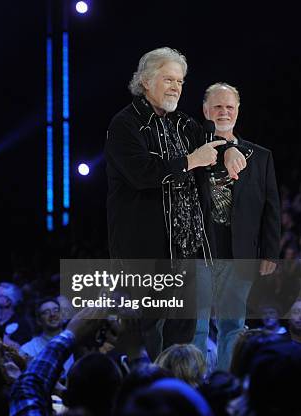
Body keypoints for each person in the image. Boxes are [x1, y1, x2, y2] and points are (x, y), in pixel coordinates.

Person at [103, 47, 247, 358]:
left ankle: (179, 394)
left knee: (183, 336)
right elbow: (141, 174)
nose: (176, 88)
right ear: (145, 81)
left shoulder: (185, 124)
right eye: (168, 79)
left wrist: (231, 147)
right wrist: (189, 160)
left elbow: (213, 146)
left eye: (180, 82)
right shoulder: (124, 124)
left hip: (189, 250)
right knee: (145, 333)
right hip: (146, 250)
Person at [193, 83, 280, 371]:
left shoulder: (260, 156)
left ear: (238, 111)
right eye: (218, 106)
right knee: (197, 325)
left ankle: (224, 384)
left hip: (239, 252)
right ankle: (194, 385)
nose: (224, 112)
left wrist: (270, 252)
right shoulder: (191, 154)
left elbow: (271, 207)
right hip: (199, 253)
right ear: (206, 110)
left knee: (233, 324)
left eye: (230, 107)